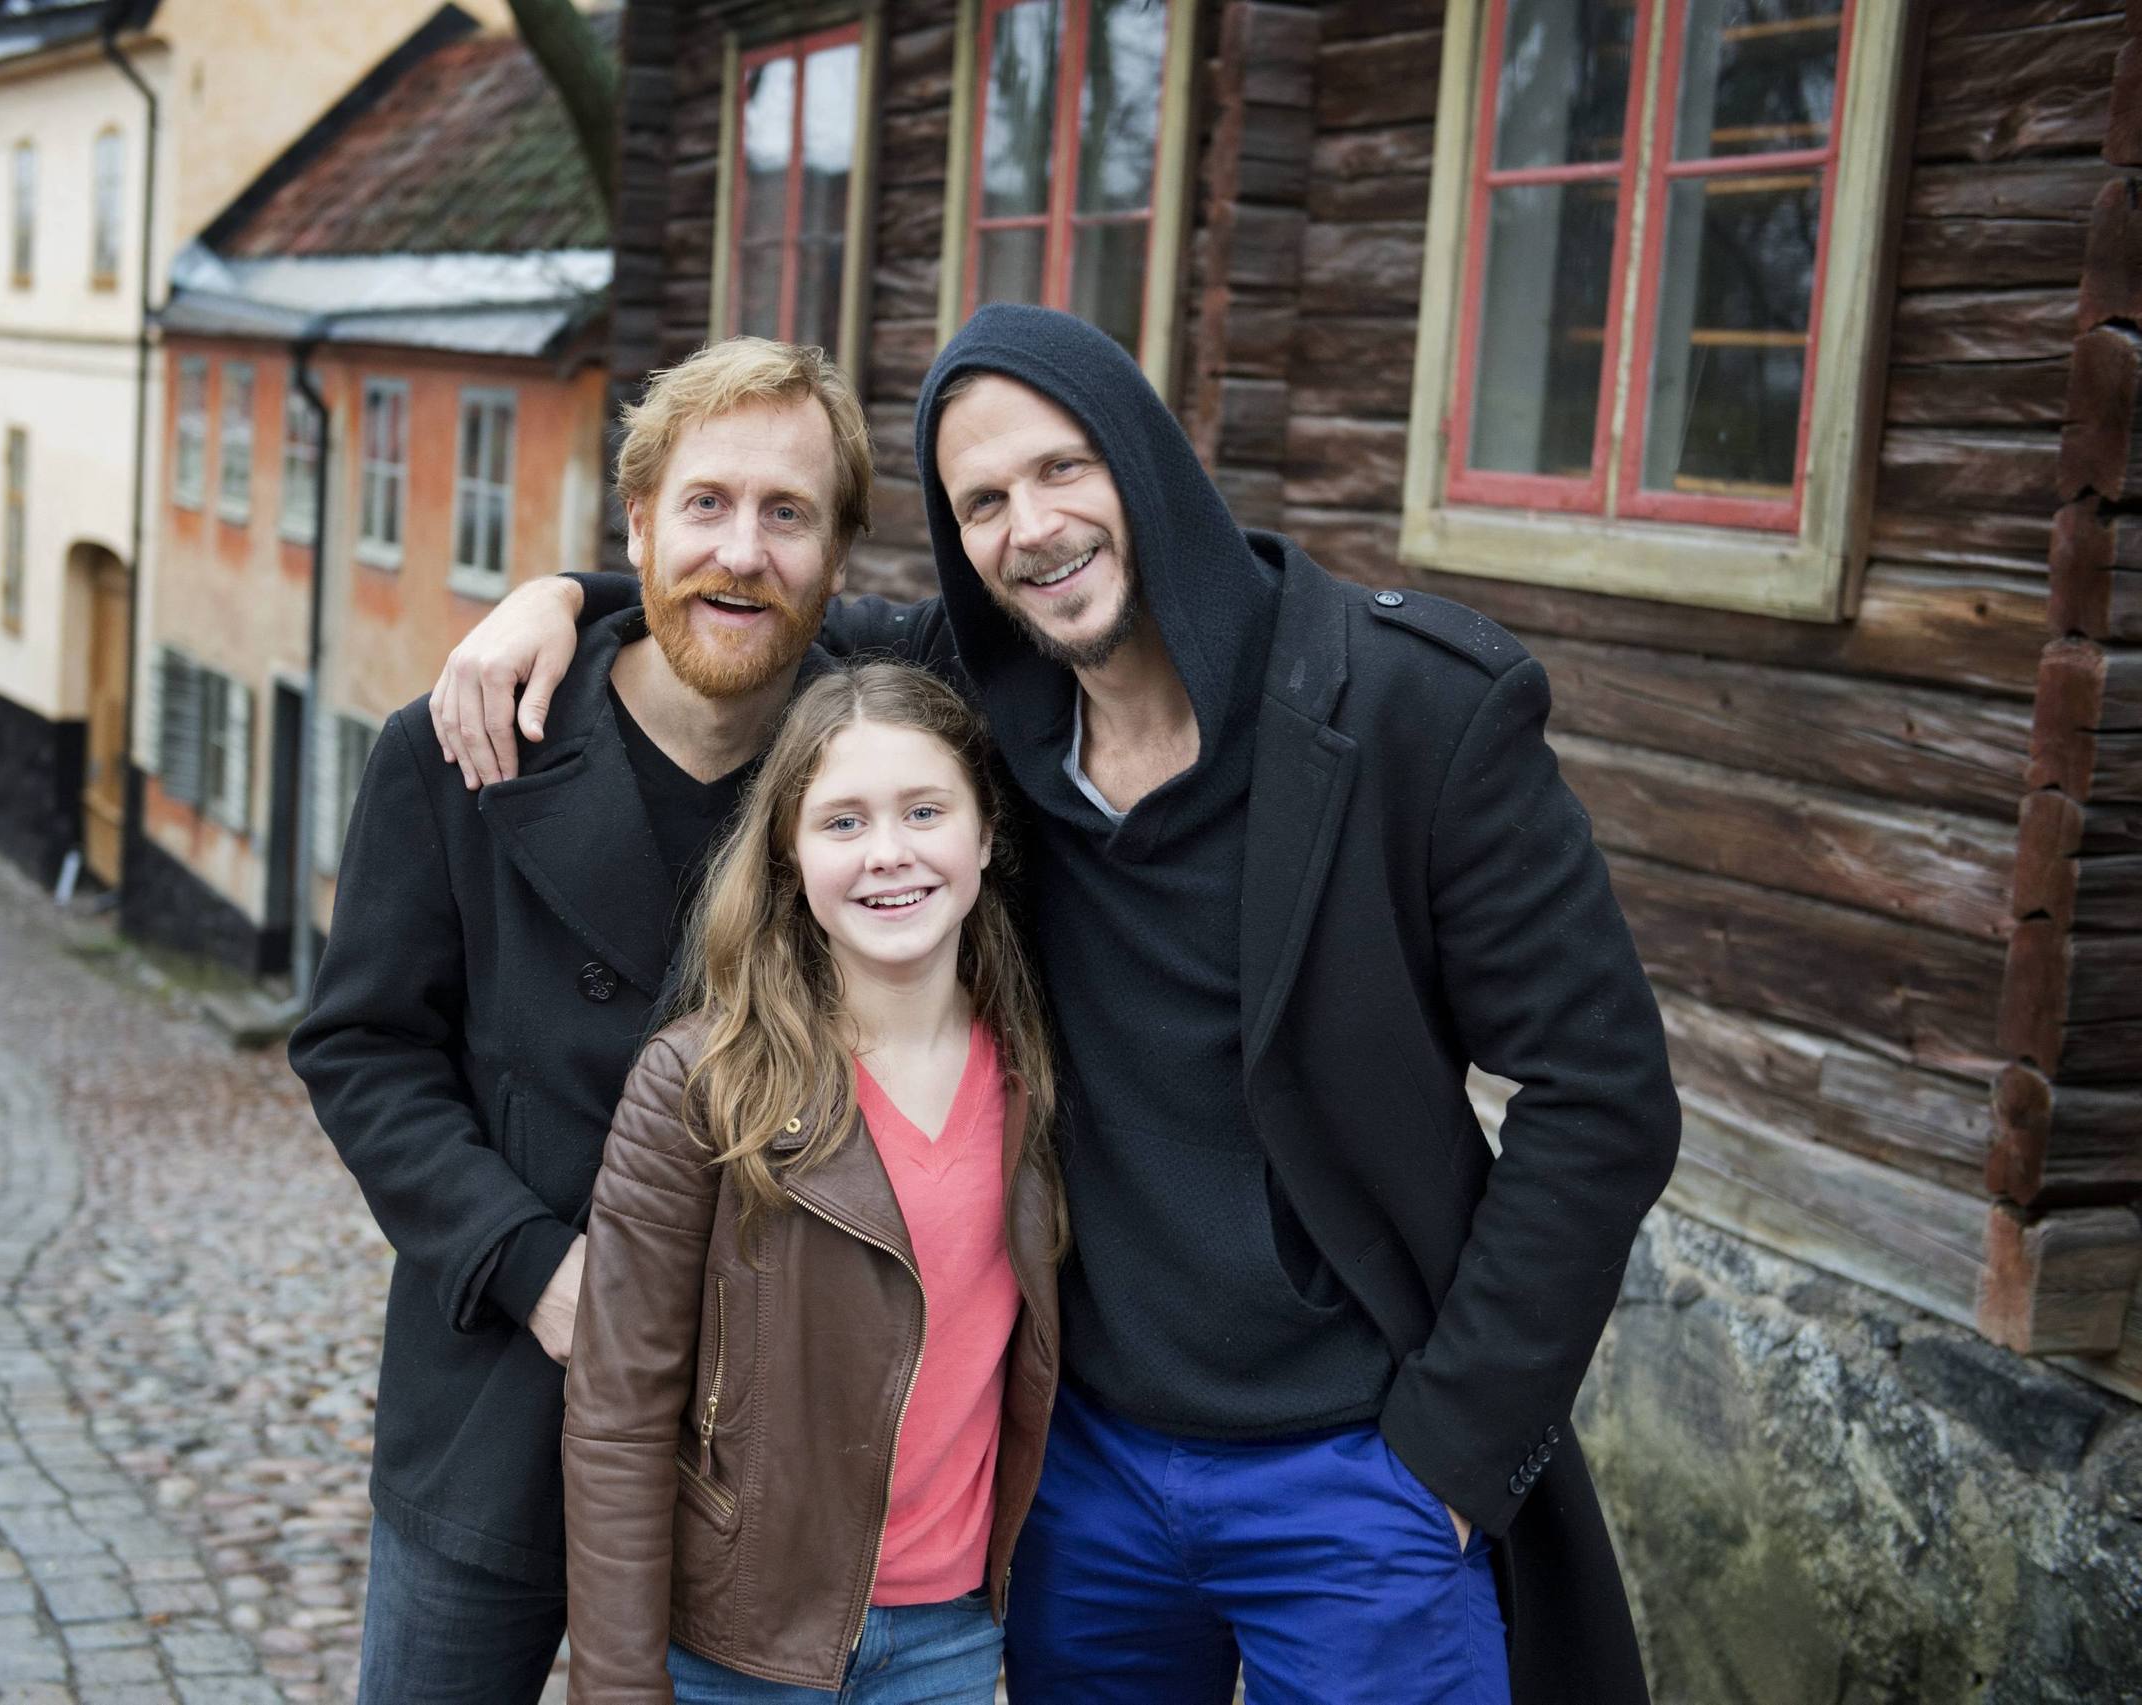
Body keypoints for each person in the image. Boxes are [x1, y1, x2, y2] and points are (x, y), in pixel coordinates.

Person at [426, 304, 1685, 1703]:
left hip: (1354, 1464)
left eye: (1063, 468)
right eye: (982, 502)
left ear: (1146, 460)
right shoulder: (990, 715)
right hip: (1086, 1476)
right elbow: (756, 603)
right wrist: (562, 595)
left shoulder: (1407, 714)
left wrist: (1456, 1449)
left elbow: (1605, 1097)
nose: (1030, 525)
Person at [286, 338, 875, 1705]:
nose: (742, 551)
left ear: (838, 552)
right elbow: (361, 1049)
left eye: (789, 514)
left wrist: (566, 589)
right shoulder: (462, 747)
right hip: (500, 1397)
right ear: (639, 524)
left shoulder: (871, 769)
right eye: (707, 505)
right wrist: (536, 1269)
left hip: (762, 1440)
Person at [563, 661, 1063, 1703]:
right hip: (739, 1648)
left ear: (984, 838)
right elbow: (617, 1412)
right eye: (841, 821)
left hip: (952, 1639)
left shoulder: (1039, 1070)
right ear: (789, 855)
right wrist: (617, 1681)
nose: (888, 853)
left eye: (924, 810)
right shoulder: (700, 1083)